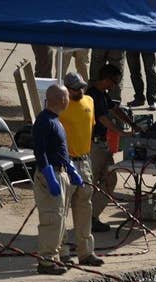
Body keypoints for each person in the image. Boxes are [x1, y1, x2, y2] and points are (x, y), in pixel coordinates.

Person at [31, 85, 85, 275]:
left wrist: (70, 168)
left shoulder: (56, 121)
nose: (69, 100)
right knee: (52, 219)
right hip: (51, 175)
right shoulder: (44, 121)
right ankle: (46, 261)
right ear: (62, 99)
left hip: (61, 172)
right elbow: (40, 151)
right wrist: (49, 175)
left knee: (60, 218)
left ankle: (58, 255)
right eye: (67, 97)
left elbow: (59, 149)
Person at [86, 64, 140, 232]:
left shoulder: (103, 94)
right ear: (106, 79)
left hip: (103, 144)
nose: (114, 86)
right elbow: (102, 118)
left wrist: (132, 124)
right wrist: (120, 133)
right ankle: (87, 219)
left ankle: (92, 216)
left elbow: (115, 110)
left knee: (110, 180)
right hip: (93, 146)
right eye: (114, 82)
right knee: (92, 183)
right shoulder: (91, 95)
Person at [57, 73, 104, 267]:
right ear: (66, 89)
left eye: (81, 87)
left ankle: (86, 252)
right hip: (65, 162)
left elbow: (89, 128)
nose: (80, 91)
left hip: (84, 162)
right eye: (75, 88)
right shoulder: (58, 106)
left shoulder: (90, 101)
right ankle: (62, 252)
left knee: (84, 209)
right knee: (61, 210)